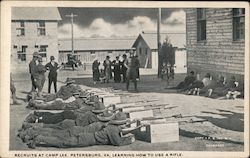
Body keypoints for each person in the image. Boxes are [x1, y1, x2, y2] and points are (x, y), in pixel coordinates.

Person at [27, 112, 142, 148]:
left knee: (56, 133)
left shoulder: (107, 125)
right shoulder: (112, 129)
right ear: (119, 124)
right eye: (123, 124)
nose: (123, 126)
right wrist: (130, 139)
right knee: (62, 142)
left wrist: (130, 124)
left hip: (82, 133)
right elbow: (118, 142)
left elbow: (118, 130)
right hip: (85, 139)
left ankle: (34, 132)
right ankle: (38, 138)